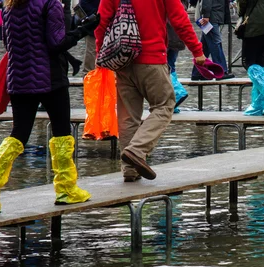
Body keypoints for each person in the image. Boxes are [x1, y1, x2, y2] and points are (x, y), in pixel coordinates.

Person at [0, 0, 98, 213]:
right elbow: (56, 43)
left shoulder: (9, 5)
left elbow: (7, 43)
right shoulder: (50, 3)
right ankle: (66, 189)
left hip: (18, 78)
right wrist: (84, 29)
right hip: (50, 78)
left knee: (18, 133)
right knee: (62, 132)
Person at [96, 0, 206, 182]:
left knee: (127, 116)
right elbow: (179, 20)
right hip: (152, 59)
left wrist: (101, 54)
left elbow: (101, 22)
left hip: (122, 60)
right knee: (165, 105)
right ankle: (136, 150)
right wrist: (197, 51)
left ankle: (130, 171)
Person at [191, 0, 235, 80]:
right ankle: (222, 71)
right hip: (211, 17)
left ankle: (197, 72)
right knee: (216, 43)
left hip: (211, 16)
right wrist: (206, 15)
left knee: (206, 46)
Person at [167, 0, 191, 113]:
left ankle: (177, 92)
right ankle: (172, 103)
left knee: (163, 67)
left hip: (167, 37)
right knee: (171, 66)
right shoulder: (183, 2)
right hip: (177, 38)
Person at [77, 0, 100, 75]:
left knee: (91, 52)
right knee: (91, 52)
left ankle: (89, 75)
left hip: (95, 23)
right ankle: (89, 76)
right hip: (94, 24)